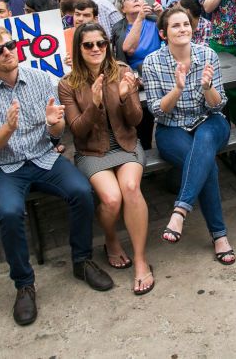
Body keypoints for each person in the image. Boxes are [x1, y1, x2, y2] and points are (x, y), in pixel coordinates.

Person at [0, 26, 112, 326]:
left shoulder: (41, 79)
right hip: (6, 167)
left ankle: (81, 261)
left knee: (82, 192)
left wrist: (53, 125)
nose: (8, 51)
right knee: (8, 212)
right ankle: (23, 284)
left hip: (44, 157)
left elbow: (57, 131)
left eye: (11, 45)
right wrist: (7, 129)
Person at [59, 23, 154, 295]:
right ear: (78, 49)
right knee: (111, 199)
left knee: (131, 189)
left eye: (101, 43)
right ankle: (111, 239)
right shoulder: (67, 84)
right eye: (88, 44)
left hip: (126, 145)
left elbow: (136, 121)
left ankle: (140, 260)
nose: (96, 49)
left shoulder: (122, 71)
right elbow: (76, 130)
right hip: (92, 151)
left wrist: (125, 97)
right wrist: (95, 103)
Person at [141, 7, 236, 265]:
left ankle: (180, 211)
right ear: (163, 33)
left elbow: (218, 106)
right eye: (176, 25)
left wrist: (208, 88)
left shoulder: (207, 54)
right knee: (207, 167)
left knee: (205, 141)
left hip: (210, 121)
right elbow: (157, 110)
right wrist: (177, 89)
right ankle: (219, 236)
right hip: (171, 128)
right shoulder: (152, 62)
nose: (183, 29)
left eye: (186, 24)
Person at [111, 0, 162, 71]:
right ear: (122, 8)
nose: (135, 0)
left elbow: (172, 37)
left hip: (159, 66)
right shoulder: (118, 27)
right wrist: (139, 18)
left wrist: (161, 14)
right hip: (135, 73)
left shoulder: (154, 20)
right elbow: (129, 50)